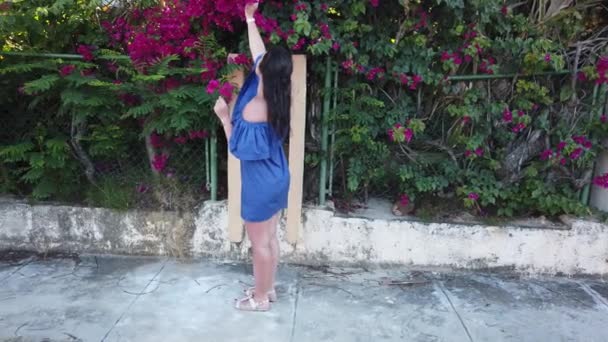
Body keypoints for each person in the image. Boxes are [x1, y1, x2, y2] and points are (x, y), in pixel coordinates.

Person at [213, 1, 292, 312]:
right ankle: (268, 288)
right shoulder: (274, 88)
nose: (260, 58)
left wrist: (223, 117)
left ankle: (259, 300)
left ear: (265, 71)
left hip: (260, 183)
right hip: (277, 176)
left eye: (264, 60)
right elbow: (259, 50)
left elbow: (237, 149)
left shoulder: (256, 108)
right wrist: (249, 19)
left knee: (259, 244)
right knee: (270, 237)